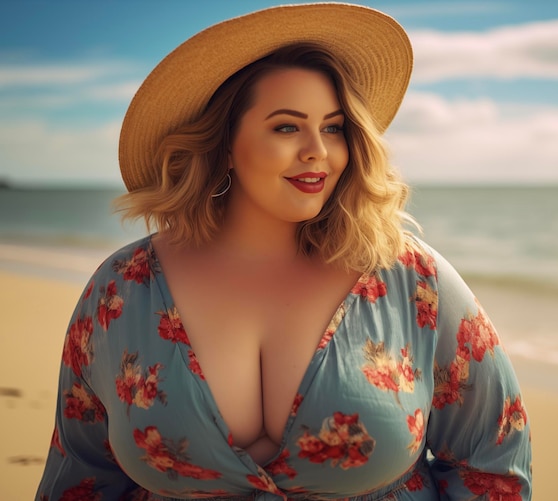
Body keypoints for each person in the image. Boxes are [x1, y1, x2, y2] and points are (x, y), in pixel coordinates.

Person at [36, 3, 532, 500]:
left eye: (334, 127)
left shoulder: (412, 278)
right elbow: (81, 475)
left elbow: (492, 463)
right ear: (225, 143)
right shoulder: (123, 288)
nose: (318, 149)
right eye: (287, 127)